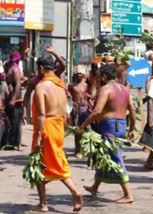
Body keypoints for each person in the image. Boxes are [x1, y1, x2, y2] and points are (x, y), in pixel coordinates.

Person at [32, 55, 82, 212]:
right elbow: (66, 110)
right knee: (48, 164)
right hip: (58, 126)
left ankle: (73, 192)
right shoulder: (60, 85)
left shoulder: (41, 87)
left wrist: (39, 136)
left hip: (47, 127)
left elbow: (41, 114)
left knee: (41, 164)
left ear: (41, 68)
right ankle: (42, 203)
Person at [79, 64, 136, 204]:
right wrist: (132, 129)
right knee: (104, 156)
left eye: (99, 77)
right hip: (121, 124)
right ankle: (94, 187)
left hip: (111, 126)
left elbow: (97, 111)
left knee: (116, 158)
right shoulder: (124, 88)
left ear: (104, 76)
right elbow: (132, 110)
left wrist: (83, 125)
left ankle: (128, 194)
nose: (98, 79)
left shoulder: (106, 89)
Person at [23, 45, 66, 123]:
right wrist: (25, 110)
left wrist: (54, 53)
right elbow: (27, 95)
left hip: (54, 114)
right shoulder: (34, 81)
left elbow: (63, 66)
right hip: (40, 115)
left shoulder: (53, 75)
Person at [3, 51, 22, 149]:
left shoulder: (15, 70)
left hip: (16, 99)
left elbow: (18, 84)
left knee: (15, 121)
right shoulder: (10, 68)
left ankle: (15, 143)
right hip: (10, 99)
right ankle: (9, 142)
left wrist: (13, 99)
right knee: (9, 121)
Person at [69, 66, 89, 158]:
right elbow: (69, 97)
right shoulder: (71, 85)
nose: (78, 75)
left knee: (84, 129)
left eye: (80, 73)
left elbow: (87, 96)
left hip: (84, 108)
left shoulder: (86, 85)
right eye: (77, 74)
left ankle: (83, 150)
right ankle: (77, 149)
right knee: (76, 130)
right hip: (75, 107)